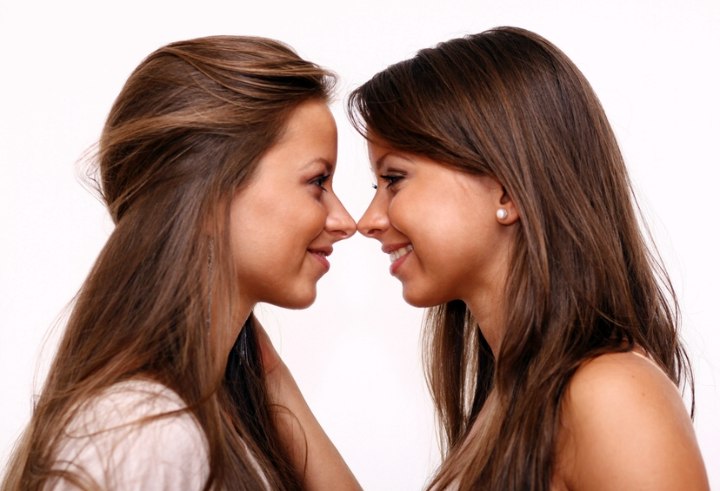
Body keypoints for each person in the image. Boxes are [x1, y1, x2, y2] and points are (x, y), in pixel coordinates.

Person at [349, 26, 709, 490]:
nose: (369, 219)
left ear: (506, 189)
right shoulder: (509, 398)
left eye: (394, 179)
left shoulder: (609, 394)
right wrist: (273, 381)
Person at [3, 35, 360, 490]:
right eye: (317, 181)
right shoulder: (144, 433)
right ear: (212, 195)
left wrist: (271, 379)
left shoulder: (202, 419)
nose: (344, 220)